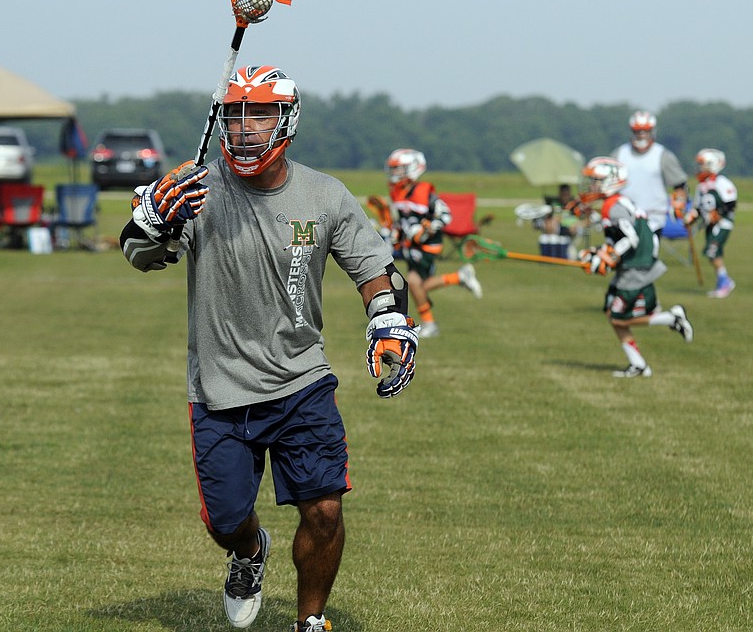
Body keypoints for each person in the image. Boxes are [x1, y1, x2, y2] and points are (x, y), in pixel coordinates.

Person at [120, 65, 419, 632]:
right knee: (225, 521)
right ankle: (248, 551)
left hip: (302, 382)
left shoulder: (324, 194)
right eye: (234, 116)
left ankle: (310, 621)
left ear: (287, 121)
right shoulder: (195, 190)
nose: (245, 128)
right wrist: (153, 221)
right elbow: (138, 252)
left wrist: (386, 321)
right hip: (219, 386)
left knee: (325, 509)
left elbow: (378, 271)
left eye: (260, 115)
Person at [577, 157, 694, 378]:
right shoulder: (617, 202)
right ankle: (638, 364)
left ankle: (671, 319)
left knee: (619, 317)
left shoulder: (614, 206)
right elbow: (621, 237)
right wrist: (598, 252)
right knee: (611, 313)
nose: (591, 185)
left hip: (635, 269)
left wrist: (609, 255)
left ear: (611, 181)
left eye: (596, 180)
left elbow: (630, 238)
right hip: (633, 265)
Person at [384, 148, 483, 338]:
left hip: (427, 246)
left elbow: (445, 215)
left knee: (413, 282)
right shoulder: (397, 192)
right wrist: (396, 233)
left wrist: (426, 228)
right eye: (393, 169)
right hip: (412, 246)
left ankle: (429, 323)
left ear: (412, 168)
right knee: (419, 285)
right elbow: (401, 220)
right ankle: (459, 277)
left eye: (398, 169)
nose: (394, 173)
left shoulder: (425, 191)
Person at [611, 110, 688, 236]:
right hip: (623, 216)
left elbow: (679, 183)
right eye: (637, 131)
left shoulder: (662, 155)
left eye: (645, 131)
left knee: (647, 254)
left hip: (654, 217)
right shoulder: (619, 154)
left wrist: (679, 201)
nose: (641, 135)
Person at [684, 148, 738, 298]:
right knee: (713, 253)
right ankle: (724, 281)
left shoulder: (722, 183)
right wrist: (691, 218)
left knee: (712, 251)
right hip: (709, 225)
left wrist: (719, 214)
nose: (700, 168)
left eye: (703, 165)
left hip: (722, 224)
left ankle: (725, 282)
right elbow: (699, 208)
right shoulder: (701, 187)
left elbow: (731, 203)